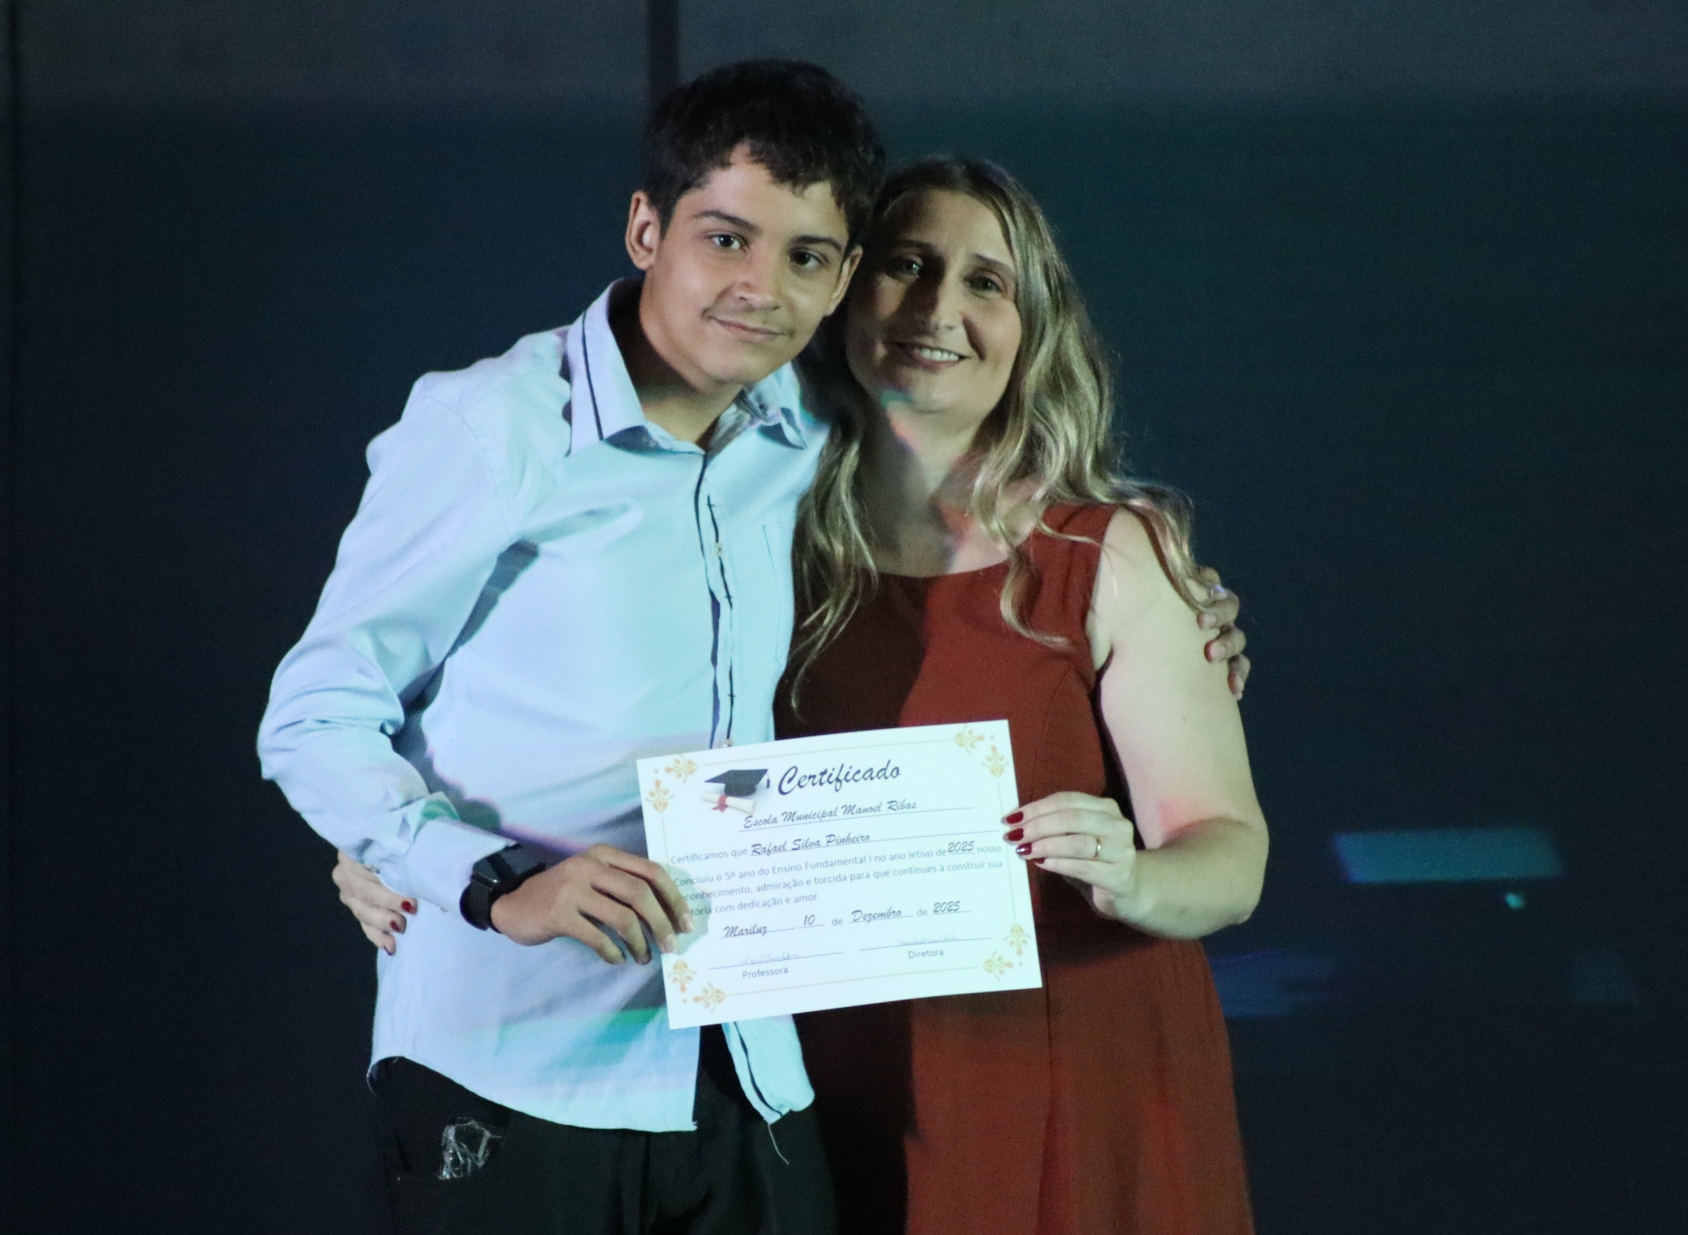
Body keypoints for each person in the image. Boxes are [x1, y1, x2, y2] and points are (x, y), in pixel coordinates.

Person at [257, 61, 884, 1234]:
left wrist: (1175, 592)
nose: (761, 287)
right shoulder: (492, 425)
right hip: (510, 1067)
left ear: (843, 277)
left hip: (740, 1063)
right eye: (725, 238)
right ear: (646, 229)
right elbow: (318, 714)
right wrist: (484, 879)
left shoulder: (818, 433)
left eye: (806, 256)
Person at [780, 156, 1267, 1235]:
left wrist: (1133, 875)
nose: (937, 307)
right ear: (847, 289)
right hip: (829, 1072)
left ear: (1033, 327)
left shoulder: (1109, 553)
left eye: (985, 282)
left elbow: (1231, 854)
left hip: (1073, 1068)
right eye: (907, 265)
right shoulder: (751, 540)